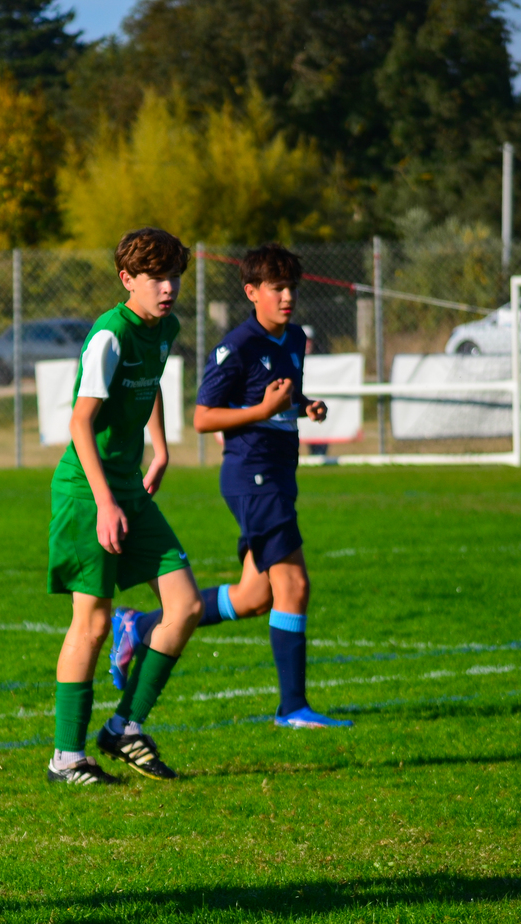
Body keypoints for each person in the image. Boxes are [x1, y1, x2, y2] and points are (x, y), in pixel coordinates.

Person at [120, 244, 349, 729]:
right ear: (251, 292)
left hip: (279, 473)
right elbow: (203, 418)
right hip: (251, 476)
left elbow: (283, 393)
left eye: (292, 288)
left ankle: (137, 625)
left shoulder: (295, 338)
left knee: (254, 597)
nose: (287, 297)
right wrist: (263, 411)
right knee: (295, 585)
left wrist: (304, 405)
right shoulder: (236, 347)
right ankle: (293, 708)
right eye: (276, 288)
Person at [46, 228, 202, 786]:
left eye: (174, 277)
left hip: (127, 487)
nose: (168, 288)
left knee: (185, 605)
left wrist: (160, 446)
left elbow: (149, 381)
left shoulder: (165, 328)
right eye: (155, 278)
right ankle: (66, 759)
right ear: (127, 280)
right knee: (91, 623)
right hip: (88, 491)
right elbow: (80, 423)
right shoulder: (109, 335)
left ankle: (123, 727)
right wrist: (106, 501)